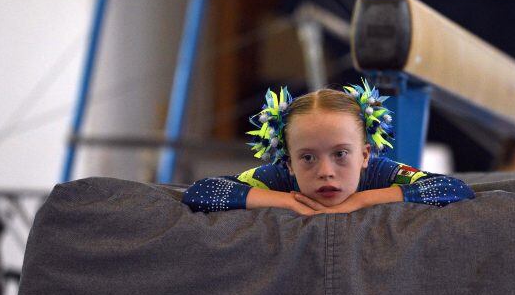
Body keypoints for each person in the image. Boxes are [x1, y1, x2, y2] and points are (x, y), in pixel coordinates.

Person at [183, 80, 475, 215]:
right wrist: (288, 202)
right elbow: (199, 193)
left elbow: (456, 189)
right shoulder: (279, 179)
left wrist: (362, 200)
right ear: (289, 164)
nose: (325, 171)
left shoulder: (381, 173)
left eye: (340, 154)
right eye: (307, 157)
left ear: (364, 155)